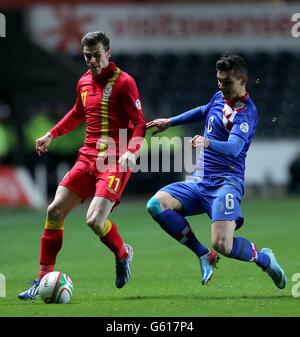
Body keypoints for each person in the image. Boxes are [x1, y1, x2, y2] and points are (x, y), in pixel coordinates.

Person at [18, 31, 146, 300]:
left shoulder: (125, 83)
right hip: (87, 158)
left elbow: (139, 123)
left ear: (108, 54)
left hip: (114, 159)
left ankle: (123, 254)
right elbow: (77, 113)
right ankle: (41, 279)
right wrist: (51, 134)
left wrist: (131, 151)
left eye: (97, 55)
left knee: (94, 220)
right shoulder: (84, 82)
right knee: (54, 211)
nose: (92, 61)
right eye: (87, 56)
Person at [146, 54, 287, 288]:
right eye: (219, 81)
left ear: (243, 80)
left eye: (227, 82)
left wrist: (208, 142)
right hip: (199, 181)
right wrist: (170, 121)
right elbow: (204, 110)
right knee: (155, 204)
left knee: (223, 244)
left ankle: (265, 259)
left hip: (226, 183)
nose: (222, 87)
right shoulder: (219, 97)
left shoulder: (246, 113)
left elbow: (234, 149)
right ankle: (203, 254)